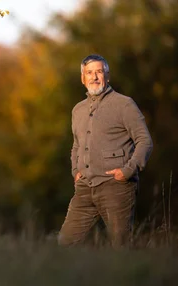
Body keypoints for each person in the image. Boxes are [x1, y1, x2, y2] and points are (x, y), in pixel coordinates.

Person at [58, 54, 153, 247]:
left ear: (107, 76)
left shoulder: (124, 104)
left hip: (116, 187)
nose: (94, 77)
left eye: (99, 72)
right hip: (85, 187)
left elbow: (145, 141)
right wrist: (75, 172)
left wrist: (127, 171)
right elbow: (76, 145)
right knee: (64, 243)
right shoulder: (78, 110)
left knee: (120, 246)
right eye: (89, 73)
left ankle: (128, 277)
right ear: (82, 78)